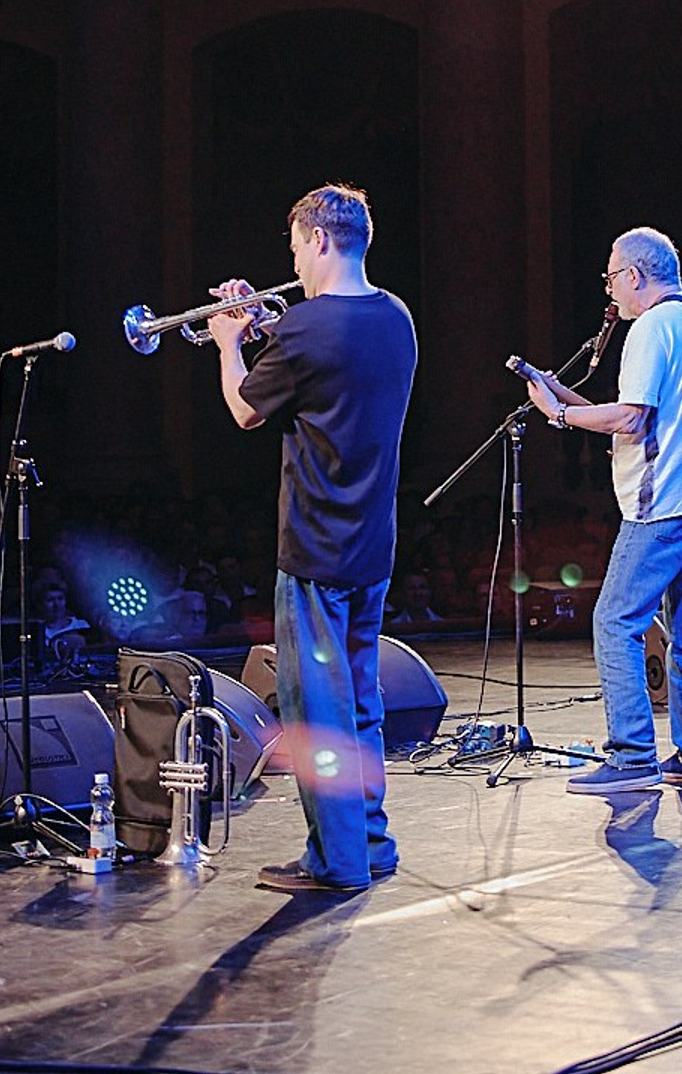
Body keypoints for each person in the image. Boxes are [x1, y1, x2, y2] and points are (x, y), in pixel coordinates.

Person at [206, 184, 416, 894]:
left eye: (295, 246)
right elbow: (329, 369)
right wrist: (272, 326)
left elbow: (243, 410)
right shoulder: (395, 317)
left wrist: (231, 342)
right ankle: (371, 843)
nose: (291, 260)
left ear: (319, 240)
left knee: (314, 712)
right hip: (372, 544)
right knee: (358, 704)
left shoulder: (304, 330)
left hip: (316, 548)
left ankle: (337, 859)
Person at [523, 226, 682, 794]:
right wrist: (563, 397)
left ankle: (632, 754)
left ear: (635, 276)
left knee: (614, 621)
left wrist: (559, 418)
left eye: (612, 277)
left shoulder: (649, 328)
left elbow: (633, 420)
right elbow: (655, 417)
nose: (609, 290)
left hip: (661, 506)